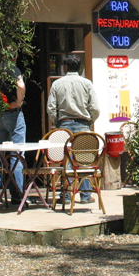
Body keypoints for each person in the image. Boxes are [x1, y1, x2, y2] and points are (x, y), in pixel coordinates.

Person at [46, 54, 100, 203]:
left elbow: (51, 107)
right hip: (83, 124)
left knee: (66, 160)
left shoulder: (57, 83)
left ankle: (66, 196)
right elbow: (95, 107)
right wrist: (90, 121)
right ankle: (85, 195)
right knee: (83, 160)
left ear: (66, 67)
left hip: (64, 124)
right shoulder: (87, 83)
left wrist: (56, 122)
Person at [0, 56, 26, 203]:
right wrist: (18, 101)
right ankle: (18, 193)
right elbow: (20, 85)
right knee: (17, 154)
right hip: (13, 115)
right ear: (14, 56)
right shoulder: (13, 69)